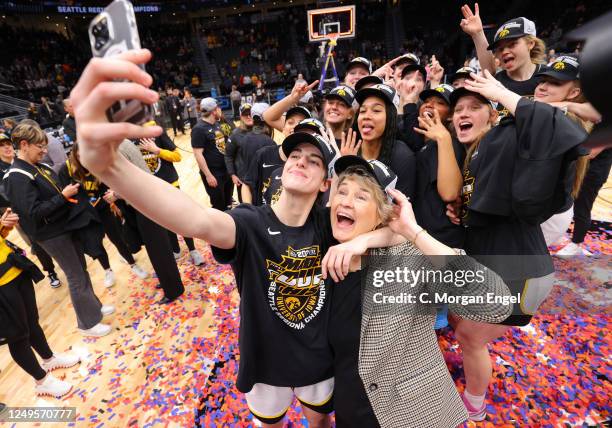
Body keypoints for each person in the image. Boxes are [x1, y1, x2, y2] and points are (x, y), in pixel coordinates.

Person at [69, 49, 402, 427]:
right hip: (265, 362)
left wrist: (362, 242)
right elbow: (194, 218)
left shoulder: (330, 226)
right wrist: (110, 167)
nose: (300, 162)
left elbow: (393, 230)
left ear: (326, 183)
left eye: (313, 160)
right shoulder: (248, 223)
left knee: (322, 424)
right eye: (295, 156)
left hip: (317, 358)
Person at [326, 156, 511, 427]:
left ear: (383, 215)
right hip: (350, 411)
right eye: (342, 191)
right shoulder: (322, 251)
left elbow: (496, 303)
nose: (345, 201)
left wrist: (412, 231)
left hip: (411, 413)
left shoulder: (407, 260)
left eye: (361, 196)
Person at [445, 72, 586, 421]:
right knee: (459, 319)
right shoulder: (477, 156)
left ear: (494, 115)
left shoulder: (506, 140)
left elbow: (561, 129)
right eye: (458, 108)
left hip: (522, 276)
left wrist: (503, 93)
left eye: (474, 106)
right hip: (498, 271)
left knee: (468, 335)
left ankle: (474, 410)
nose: (463, 113)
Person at [6, 123, 113, 337]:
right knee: (75, 275)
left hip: (64, 226)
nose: (44, 151)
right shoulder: (16, 176)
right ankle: (88, 324)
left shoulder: (39, 167)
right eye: (40, 147)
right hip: (50, 234)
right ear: (24, 145)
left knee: (81, 271)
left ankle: (93, 307)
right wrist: (62, 196)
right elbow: (33, 212)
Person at [0, 208, 81, 398]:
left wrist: (4, 227)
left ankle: (49, 358)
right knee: (17, 336)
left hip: (14, 268)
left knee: (31, 321)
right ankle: (41, 381)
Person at [59, 143, 150, 280]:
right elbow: (66, 195)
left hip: (102, 207)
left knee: (117, 237)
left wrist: (109, 198)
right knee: (95, 242)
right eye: (79, 156)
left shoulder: (98, 164)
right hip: (84, 211)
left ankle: (132, 264)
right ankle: (107, 270)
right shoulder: (66, 169)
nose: (83, 159)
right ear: (75, 155)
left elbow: (106, 188)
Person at [531, 55, 590, 248]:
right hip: (552, 209)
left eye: (554, 83)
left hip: (548, 215)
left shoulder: (561, 121)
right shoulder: (555, 114)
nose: (542, 87)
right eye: (542, 81)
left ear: (573, 92)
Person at [0, 133, 61, 289]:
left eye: (7, 143)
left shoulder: (24, 160)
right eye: (1, 145)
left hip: (42, 206)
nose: (6, 147)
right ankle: (51, 271)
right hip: (19, 214)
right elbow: (5, 196)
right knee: (37, 243)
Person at [460, 6, 546, 117]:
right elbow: (488, 71)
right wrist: (477, 34)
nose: (505, 52)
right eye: (500, 49)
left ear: (530, 44)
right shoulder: (495, 83)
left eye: (512, 44)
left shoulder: (549, 77)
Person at [137, 131, 204, 265]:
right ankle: (175, 249)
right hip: (150, 190)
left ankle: (193, 250)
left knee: (181, 218)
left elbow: (177, 156)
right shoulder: (130, 140)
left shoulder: (157, 132)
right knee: (165, 220)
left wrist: (157, 150)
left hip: (170, 184)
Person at [353, 83, 416, 199]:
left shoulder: (403, 156)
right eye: (362, 111)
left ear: (390, 117)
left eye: (376, 110)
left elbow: (399, 211)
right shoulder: (349, 149)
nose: (366, 116)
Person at [191, 97, 232, 211]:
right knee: (219, 206)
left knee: (228, 202)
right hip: (214, 174)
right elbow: (198, 154)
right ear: (214, 111)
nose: (220, 110)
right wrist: (208, 175)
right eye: (218, 108)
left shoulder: (217, 124)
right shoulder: (198, 129)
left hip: (225, 171)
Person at [226, 103, 254, 203]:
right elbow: (228, 156)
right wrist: (232, 175)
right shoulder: (235, 134)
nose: (248, 116)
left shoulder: (262, 131)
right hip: (243, 179)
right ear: (241, 117)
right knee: (246, 208)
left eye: (251, 113)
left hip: (259, 176)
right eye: (245, 114)